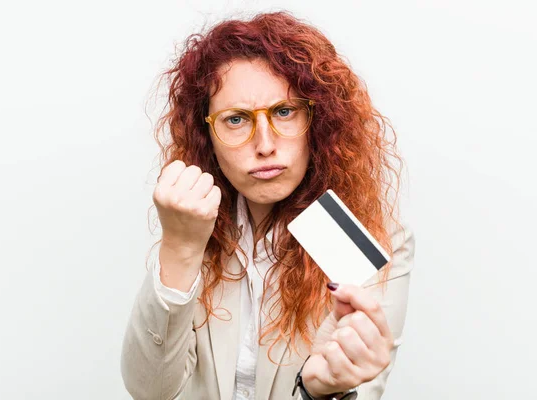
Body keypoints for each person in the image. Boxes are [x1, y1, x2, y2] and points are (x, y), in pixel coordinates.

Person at [121, 10, 415, 400]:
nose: (264, 144)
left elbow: (363, 385)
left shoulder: (375, 239)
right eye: (237, 119)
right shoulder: (191, 220)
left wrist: (319, 391)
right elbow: (150, 390)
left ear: (319, 120)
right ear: (207, 134)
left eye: (284, 112)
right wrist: (180, 248)